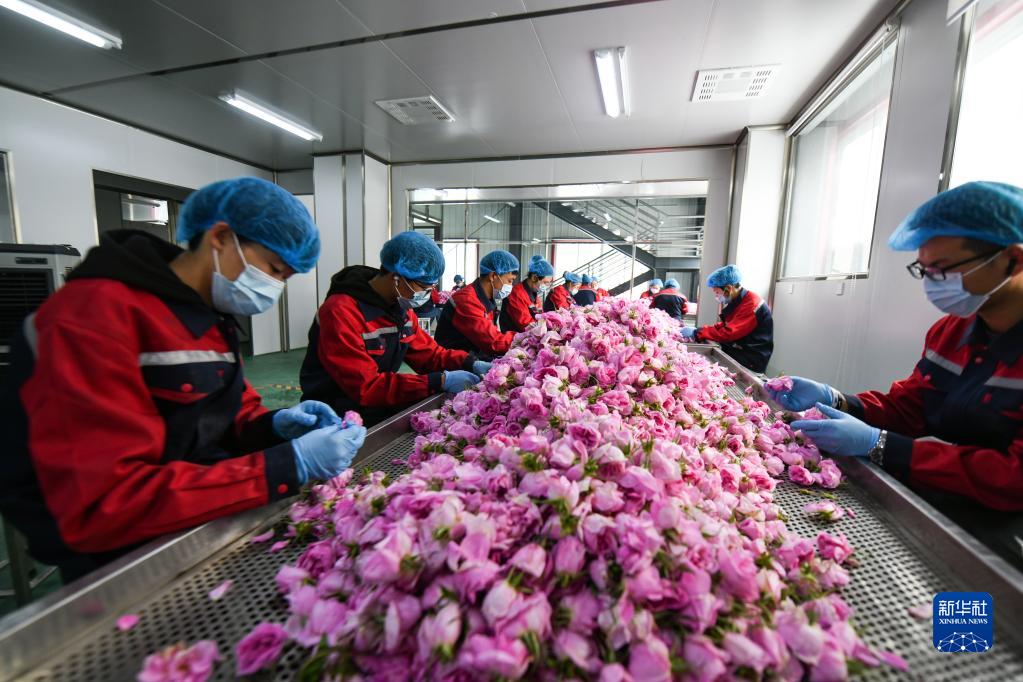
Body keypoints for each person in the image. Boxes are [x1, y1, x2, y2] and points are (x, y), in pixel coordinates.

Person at [0, 177, 367, 582]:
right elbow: (106, 502)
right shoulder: (92, 316)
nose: (275, 287)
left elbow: (224, 412)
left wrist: (272, 426)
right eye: (274, 270)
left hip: (196, 509)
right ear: (221, 237)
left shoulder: (205, 315)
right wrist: (286, 465)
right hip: (120, 554)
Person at [770, 181, 1023, 568]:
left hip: (1009, 528)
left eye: (943, 270)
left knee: (979, 603)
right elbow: (914, 405)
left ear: (1012, 260)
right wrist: (838, 400)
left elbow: (1014, 477)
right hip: (953, 496)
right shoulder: (952, 332)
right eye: (925, 269)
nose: (932, 283)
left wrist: (882, 446)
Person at [300, 232, 488, 427]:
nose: (427, 294)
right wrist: (438, 381)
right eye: (423, 287)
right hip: (333, 415)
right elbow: (366, 386)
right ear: (396, 277)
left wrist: (469, 362)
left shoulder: (401, 311)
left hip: (375, 405)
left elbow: (429, 355)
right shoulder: (341, 311)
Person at [681, 265, 773, 373]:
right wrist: (700, 330)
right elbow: (728, 324)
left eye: (717, 292)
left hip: (750, 358)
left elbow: (729, 333)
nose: (716, 296)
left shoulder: (751, 304)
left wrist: (698, 333)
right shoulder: (740, 301)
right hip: (740, 349)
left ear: (728, 288)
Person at [435, 250, 519, 359]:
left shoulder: (486, 299)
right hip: (454, 362)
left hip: (473, 355)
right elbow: (493, 341)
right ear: (493, 276)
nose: (511, 286)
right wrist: (523, 339)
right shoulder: (467, 300)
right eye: (510, 281)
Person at [500, 254, 554, 333]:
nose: (546, 286)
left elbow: (540, 316)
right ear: (534, 277)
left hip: (529, 336)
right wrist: (544, 329)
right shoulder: (517, 294)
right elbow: (526, 325)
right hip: (515, 338)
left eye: (548, 283)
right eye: (545, 282)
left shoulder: (535, 297)